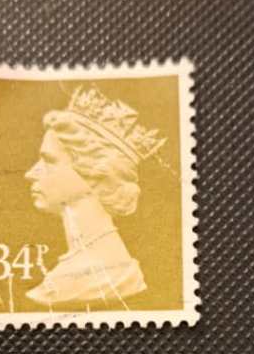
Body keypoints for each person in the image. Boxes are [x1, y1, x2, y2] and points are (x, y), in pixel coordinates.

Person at [24, 84, 164, 307]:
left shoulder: (109, 275)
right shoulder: (98, 267)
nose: (30, 174)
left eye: (49, 161)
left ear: (95, 173)